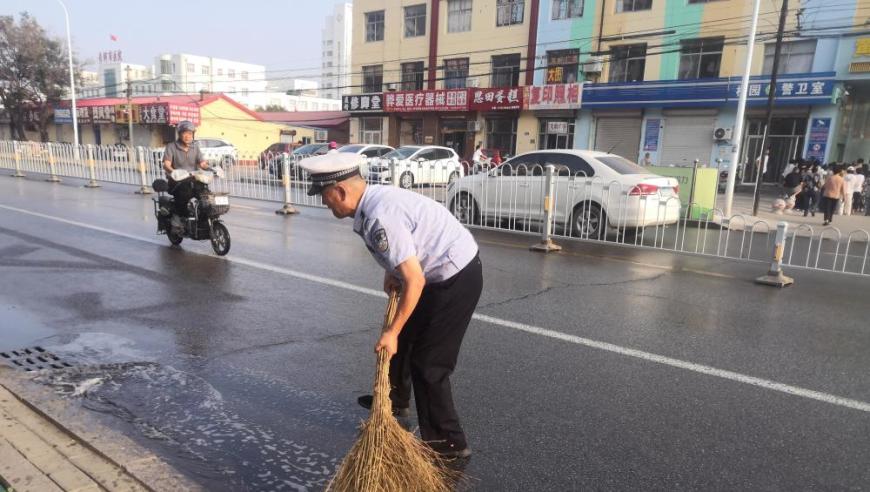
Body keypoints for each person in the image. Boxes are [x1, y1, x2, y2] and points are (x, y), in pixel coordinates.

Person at [299, 153, 482, 459]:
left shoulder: (379, 217)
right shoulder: (373, 200)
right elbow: (405, 246)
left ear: (341, 191)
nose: (324, 202)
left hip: (455, 276)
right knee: (406, 338)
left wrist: (391, 331)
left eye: (325, 196)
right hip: (436, 269)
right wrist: (391, 269)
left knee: (428, 362)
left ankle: (448, 442)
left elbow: (415, 281)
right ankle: (394, 400)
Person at [162, 121, 208, 217]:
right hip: (177, 181)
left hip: (193, 180)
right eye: (185, 133)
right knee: (182, 200)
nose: (187, 136)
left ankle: (202, 220)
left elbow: (202, 162)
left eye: (190, 133)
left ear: (193, 135)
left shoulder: (195, 147)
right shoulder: (171, 147)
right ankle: (181, 221)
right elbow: (166, 164)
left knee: (206, 198)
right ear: (179, 134)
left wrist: (209, 168)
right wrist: (174, 171)